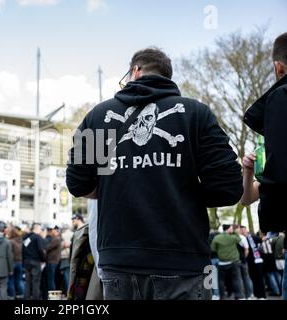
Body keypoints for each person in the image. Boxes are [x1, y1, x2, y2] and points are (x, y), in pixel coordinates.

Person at [66, 48, 243, 300]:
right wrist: (177, 190)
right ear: (167, 77)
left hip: (119, 263)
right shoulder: (196, 114)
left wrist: (115, 183)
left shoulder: (98, 117)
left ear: (135, 70)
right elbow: (228, 189)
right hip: (184, 262)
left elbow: (77, 184)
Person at [243, 32, 287, 300]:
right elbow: (247, 197)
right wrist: (248, 172)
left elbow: (279, 178)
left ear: (278, 67)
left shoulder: (281, 96)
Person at [211, 224, 245, 300]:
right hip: (234, 261)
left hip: (222, 262)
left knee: (221, 280)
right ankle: (239, 296)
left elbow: (213, 249)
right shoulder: (232, 237)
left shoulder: (217, 237)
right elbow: (239, 239)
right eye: (231, 228)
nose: (232, 229)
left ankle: (221, 296)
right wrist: (236, 232)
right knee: (236, 279)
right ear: (228, 229)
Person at [22, 223, 46, 300]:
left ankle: (26, 298)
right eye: (40, 229)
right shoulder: (37, 237)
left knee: (27, 282)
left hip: (26, 262)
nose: (41, 231)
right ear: (36, 228)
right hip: (35, 262)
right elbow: (40, 250)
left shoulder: (27, 238)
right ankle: (36, 298)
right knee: (36, 282)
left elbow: (23, 249)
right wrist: (43, 259)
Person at [7, 225, 24, 299]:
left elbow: (9, 254)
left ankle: (11, 296)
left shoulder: (10, 242)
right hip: (20, 262)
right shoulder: (22, 241)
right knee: (19, 281)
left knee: (10, 280)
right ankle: (21, 294)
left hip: (12, 263)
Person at [45, 225, 62, 295]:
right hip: (53, 261)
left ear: (56, 231)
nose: (52, 231)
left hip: (52, 261)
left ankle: (52, 296)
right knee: (51, 279)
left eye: (53, 230)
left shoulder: (56, 239)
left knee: (50, 280)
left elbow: (47, 247)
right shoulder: (56, 238)